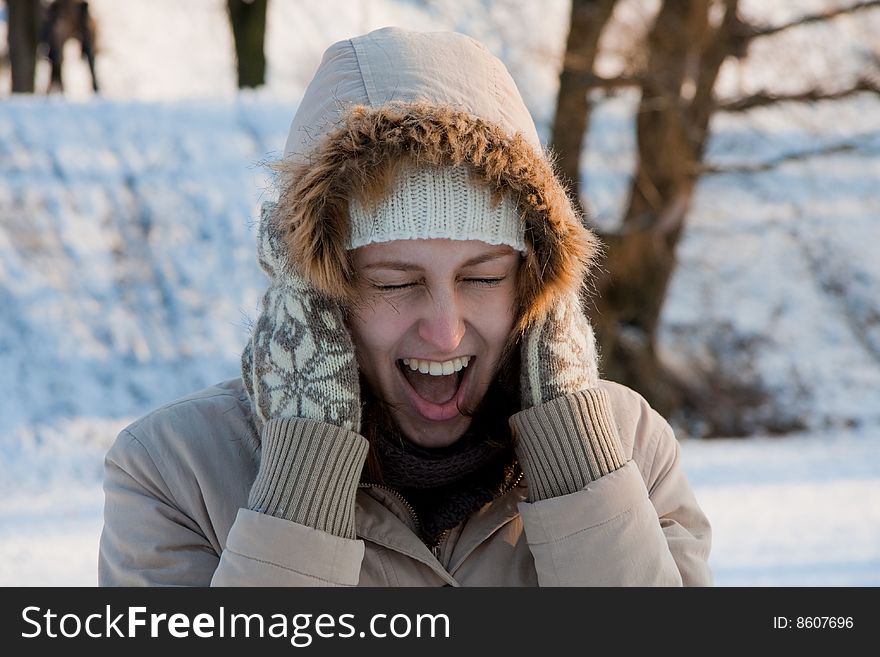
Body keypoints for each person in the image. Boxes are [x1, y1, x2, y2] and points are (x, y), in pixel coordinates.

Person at [98, 27, 712, 586]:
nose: (445, 333)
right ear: (312, 292)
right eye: (394, 283)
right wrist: (302, 483)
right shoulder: (174, 474)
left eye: (484, 277)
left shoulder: (628, 448)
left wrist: (579, 464)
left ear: (535, 285)